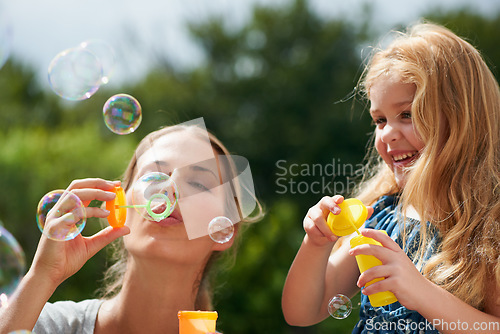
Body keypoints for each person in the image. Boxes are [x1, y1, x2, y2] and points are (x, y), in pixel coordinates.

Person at [282, 22, 500, 333]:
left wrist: (422, 293)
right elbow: (302, 312)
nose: (388, 134)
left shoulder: (487, 228)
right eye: (379, 120)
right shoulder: (381, 218)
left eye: (407, 115)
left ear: (462, 119)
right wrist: (315, 245)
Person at [0, 121, 263, 334]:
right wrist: (44, 275)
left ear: (224, 230)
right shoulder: (44, 325)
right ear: (119, 207)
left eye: (199, 184)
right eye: (153, 176)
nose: (168, 189)